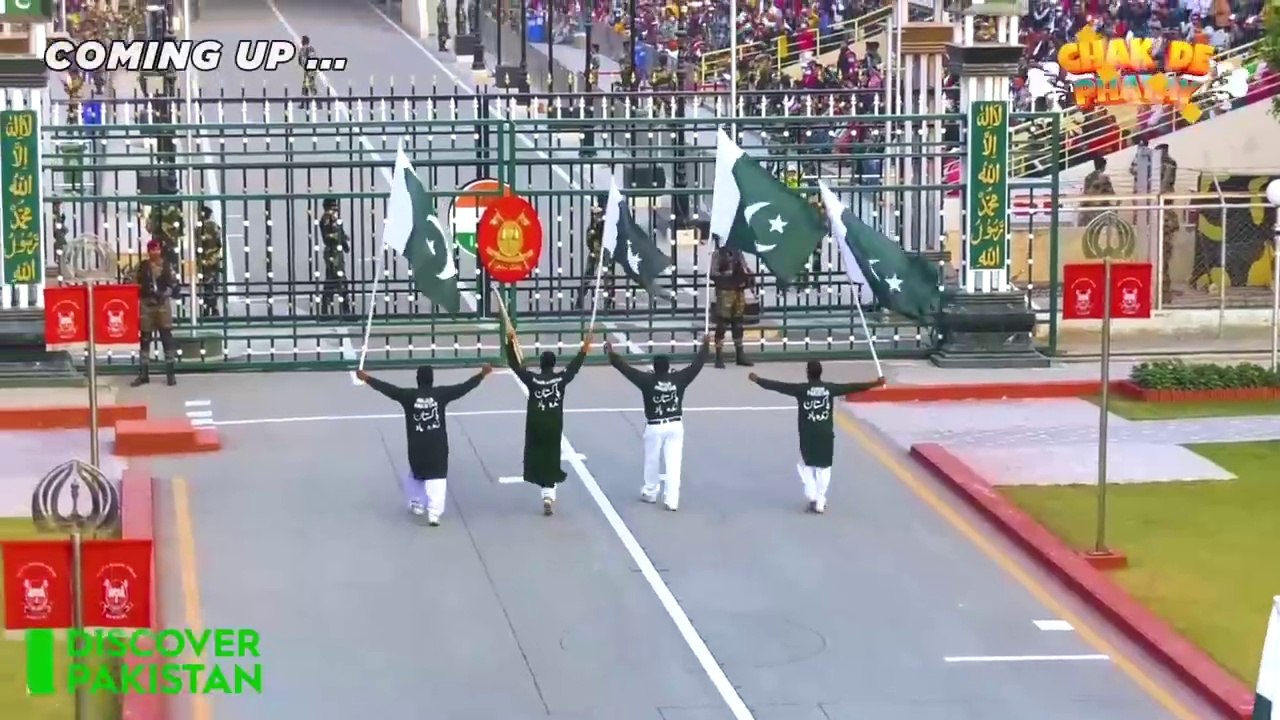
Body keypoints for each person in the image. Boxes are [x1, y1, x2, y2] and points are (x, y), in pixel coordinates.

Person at [355, 364, 493, 526]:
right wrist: (482, 375)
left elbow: (388, 389)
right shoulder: (441, 394)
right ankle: (434, 514)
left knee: (416, 475)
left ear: (417, 380)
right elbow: (463, 388)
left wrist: (367, 378)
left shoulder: (408, 395)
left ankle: (417, 504)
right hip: (437, 445)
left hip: (416, 445)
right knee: (438, 478)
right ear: (432, 379)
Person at [749, 363, 885, 513]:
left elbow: (779, 386)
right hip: (825, 434)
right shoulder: (830, 388)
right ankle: (820, 500)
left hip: (808, 435)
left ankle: (812, 495)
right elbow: (853, 386)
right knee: (824, 467)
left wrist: (758, 380)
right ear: (821, 373)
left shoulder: (801, 390)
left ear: (808, 373)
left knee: (804, 465)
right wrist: (876, 383)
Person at [605, 336, 710, 511]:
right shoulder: (680, 379)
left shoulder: (647, 380)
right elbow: (697, 365)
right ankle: (672, 500)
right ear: (668, 367)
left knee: (652, 459)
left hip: (655, 424)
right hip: (675, 424)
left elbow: (626, 370)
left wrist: (611, 354)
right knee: (674, 463)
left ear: (654, 368)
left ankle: (651, 491)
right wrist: (706, 345)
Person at [504, 326, 592, 515]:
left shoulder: (532, 379)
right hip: (553, 424)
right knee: (552, 457)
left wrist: (510, 344)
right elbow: (574, 368)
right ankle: (548, 495)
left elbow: (514, 365)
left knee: (535, 454)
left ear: (541, 365)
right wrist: (583, 351)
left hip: (535, 423)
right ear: (553, 364)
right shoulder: (560, 379)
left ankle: (537, 480)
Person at [130, 239, 179, 388]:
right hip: (147, 306)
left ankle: (171, 374)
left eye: (157, 249)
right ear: (148, 251)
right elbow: (130, 281)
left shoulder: (167, 266)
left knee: (167, 339)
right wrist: (143, 289)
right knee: (145, 340)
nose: (154, 252)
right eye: (152, 250)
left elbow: (175, 284)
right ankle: (144, 374)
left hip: (163, 306)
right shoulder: (142, 266)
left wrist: (166, 292)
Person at [710, 242, 755, 368]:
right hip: (725, 293)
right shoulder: (718, 254)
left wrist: (746, 276)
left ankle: (740, 354)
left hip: (738, 291)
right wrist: (728, 275)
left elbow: (745, 268)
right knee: (722, 324)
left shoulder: (738, 253)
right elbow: (713, 273)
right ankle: (719, 356)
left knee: (738, 324)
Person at [576, 196, 615, 310]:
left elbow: (591, 233)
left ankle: (606, 304)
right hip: (600, 248)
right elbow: (592, 231)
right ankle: (581, 301)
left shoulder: (604, 214)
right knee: (605, 278)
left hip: (599, 248)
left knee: (602, 278)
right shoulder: (603, 214)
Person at [319, 198, 350, 316]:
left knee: (332, 282)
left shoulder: (333, 219)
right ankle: (344, 310)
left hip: (336, 253)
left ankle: (326, 310)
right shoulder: (327, 218)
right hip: (333, 253)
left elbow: (339, 233)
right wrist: (341, 238)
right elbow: (328, 236)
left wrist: (343, 240)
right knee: (338, 281)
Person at [196, 205, 223, 318]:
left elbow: (196, 246)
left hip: (203, 262)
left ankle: (207, 308)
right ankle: (214, 308)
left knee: (205, 286)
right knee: (213, 285)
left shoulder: (198, 229)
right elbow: (219, 243)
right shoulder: (214, 227)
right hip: (213, 260)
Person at [1080, 157, 1115, 227]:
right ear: (1103, 166)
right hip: (1101, 208)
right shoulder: (1105, 179)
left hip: (1089, 207)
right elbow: (1111, 193)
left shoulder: (1088, 177)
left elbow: (1086, 191)